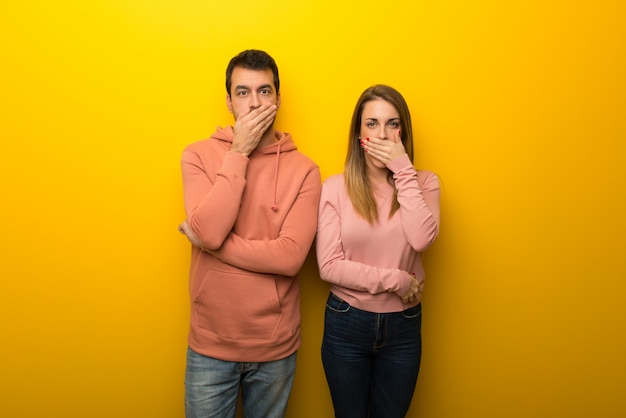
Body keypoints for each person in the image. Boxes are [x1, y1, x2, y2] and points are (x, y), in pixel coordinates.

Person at [177, 49, 321, 418]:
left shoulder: (305, 170)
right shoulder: (197, 156)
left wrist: (213, 245)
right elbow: (209, 231)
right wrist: (238, 151)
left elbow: (290, 258)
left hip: (274, 348)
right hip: (210, 345)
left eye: (264, 91)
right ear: (228, 101)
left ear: (278, 98)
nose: (254, 103)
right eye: (243, 92)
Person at [315, 84, 441, 418]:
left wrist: (402, 170)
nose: (382, 134)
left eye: (392, 124)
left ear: (404, 132)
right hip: (346, 323)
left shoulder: (425, 183)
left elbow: (422, 239)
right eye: (371, 123)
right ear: (358, 133)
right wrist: (396, 281)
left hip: (404, 326)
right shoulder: (336, 188)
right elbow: (328, 266)